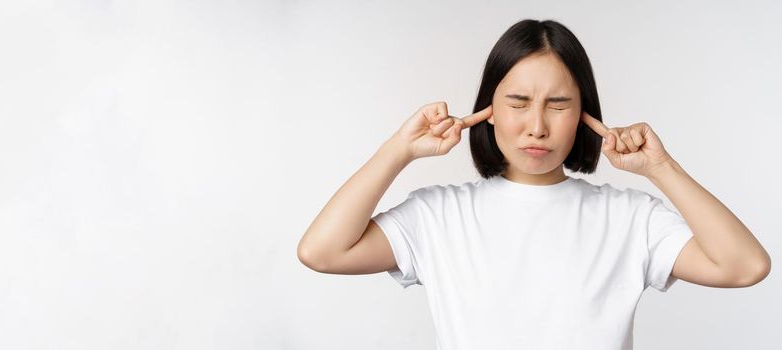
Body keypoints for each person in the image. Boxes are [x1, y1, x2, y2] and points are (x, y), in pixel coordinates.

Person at [297, 19, 771, 349]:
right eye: (518, 102)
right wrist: (399, 149)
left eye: (559, 103)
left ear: (587, 113)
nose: (537, 126)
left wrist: (660, 168)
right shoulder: (439, 216)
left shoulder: (630, 218)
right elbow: (323, 252)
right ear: (489, 110)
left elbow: (745, 266)